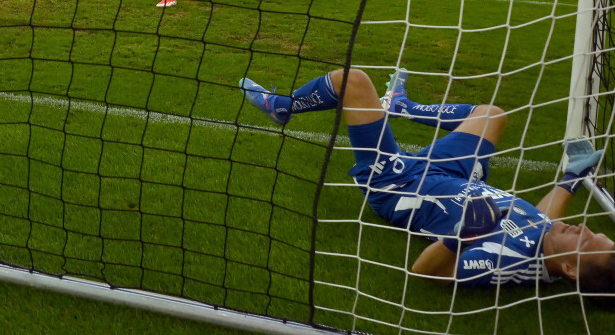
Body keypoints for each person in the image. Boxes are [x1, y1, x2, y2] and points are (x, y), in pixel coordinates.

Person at [238, 67, 615, 294]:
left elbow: (427, 272)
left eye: (584, 238)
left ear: (568, 268)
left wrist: (461, 234)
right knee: (492, 115)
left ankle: (282, 108)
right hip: (453, 173)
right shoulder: (550, 246)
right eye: (591, 231)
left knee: (351, 81)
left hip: (399, 184)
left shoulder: (506, 261)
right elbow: (541, 219)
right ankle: (403, 107)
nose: (582, 227)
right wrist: (571, 177)